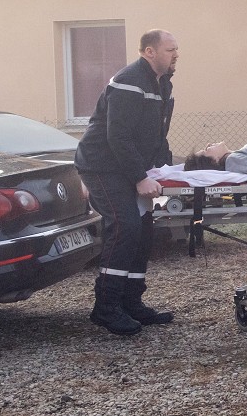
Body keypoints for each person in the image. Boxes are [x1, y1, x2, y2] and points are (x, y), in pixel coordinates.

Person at [75, 29, 179, 335]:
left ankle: (132, 303)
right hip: (102, 166)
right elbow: (117, 136)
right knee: (125, 226)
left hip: (129, 167)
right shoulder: (129, 81)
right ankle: (106, 308)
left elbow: (157, 137)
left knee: (144, 231)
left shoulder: (162, 84)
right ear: (149, 51)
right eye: (170, 50)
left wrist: (167, 172)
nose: (176, 55)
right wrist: (139, 177)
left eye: (177, 50)